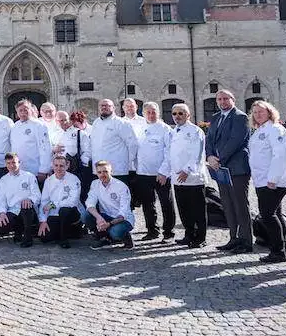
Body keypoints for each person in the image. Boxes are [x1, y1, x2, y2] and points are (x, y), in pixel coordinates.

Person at [205, 89, 254, 254]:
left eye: (226, 99)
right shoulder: (215, 117)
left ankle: (246, 241)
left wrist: (218, 159)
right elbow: (209, 139)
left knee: (240, 204)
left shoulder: (240, 117)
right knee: (227, 204)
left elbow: (236, 141)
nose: (222, 102)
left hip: (237, 168)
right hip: (221, 169)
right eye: (219, 99)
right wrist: (209, 156)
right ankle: (233, 238)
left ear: (233, 99)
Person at [248, 100, 286, 263]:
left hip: (273, 181)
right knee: (276, 214)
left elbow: (280, 155)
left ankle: (278, 251)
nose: (258, 114)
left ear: (269, 112)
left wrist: (273, 178)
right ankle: (283, 250)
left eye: (261, 111)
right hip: (262, 179)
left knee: (267, 215)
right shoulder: (260, 130)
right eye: (255, 112)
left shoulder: (275, 129)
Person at [133, 102, 176, 241]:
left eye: (154, 112)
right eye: (148, 112)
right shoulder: (139, 128)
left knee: (166, 203)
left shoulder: (165, 129)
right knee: (148, 204)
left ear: (158, 112)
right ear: (143, 113)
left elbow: (169, 152)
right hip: (143, 173)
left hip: (160, 174)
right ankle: (152, 230)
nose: (151, 115)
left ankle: (168, 232)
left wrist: (164, 172)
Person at [167, 104, 207, 248]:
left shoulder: (195, 131)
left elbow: (197, 153)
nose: (177, 116)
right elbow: (170, 154)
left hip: (193, 177)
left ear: (188, 115)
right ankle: (189, 234)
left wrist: (187, 170)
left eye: (181, 113)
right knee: (184, 209)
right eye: (174, 113)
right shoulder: (173, 131)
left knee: (197, 210)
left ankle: (200, 238)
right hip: (178, 177)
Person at [0, 153, 41, 248]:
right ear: (5, 164)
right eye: (8, 163)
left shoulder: (29, 176)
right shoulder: (4, 179)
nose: (11, 165)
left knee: (25, 206)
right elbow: (2, 199)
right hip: (13, 210)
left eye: (14, 162)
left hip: (28, 211)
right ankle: (18, 231)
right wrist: (2, 213)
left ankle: (28, 237)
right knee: (2, 226)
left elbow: (37, 195)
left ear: (19, 163)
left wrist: (29, 199)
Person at [85, 99, 138, 188]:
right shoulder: (96, 122)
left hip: (117, 171)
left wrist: (127, 162)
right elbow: (92, 144)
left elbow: (133, 144)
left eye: (107, 105)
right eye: (102, 106)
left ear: (113, 108)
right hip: (98, 171)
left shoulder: (121, 123)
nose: (104, 107)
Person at [84, 160, 135, 250]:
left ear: (111, 171)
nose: (102, 174)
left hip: (123, 219)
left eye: (105, 171)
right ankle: (104, 238)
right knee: (86, 215)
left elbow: (123, 213)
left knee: (115, 232)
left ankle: (126, 238)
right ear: (96, 173)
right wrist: (99, 218)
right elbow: (90, 203)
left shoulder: (121, 186)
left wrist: (109, 224)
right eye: (99, 172)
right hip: (105, 216)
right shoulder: (95, 184)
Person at [37, 155, 83, 249]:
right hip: (54, 213)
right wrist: (43, 221)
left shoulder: (74, 179)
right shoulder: (48, 181)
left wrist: (53, 204)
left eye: (61, 166)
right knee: (44, 237)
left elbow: (72, 202)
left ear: (67, 166)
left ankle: (64, 239)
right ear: (52, 166)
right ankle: (68, 232)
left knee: (64, 210)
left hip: (71, 212)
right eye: (56, 165)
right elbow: (44, 202)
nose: (58, 168)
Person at [9, 99, 52, 188]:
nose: (23, 112)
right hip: (19, 170)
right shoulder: (15, 126)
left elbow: (45, 148)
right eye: (20, 110)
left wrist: (43, 170)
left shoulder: (39, 125)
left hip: (35, 170)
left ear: (31, 110)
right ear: (17, 112)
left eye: (26, 109)